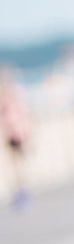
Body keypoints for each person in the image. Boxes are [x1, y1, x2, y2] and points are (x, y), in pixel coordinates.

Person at [0, 66, 33, 211]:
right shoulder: (12, 95)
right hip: (14, 133)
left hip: (16, 133)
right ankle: (21, 191)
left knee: (17, 164)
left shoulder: (10, 96)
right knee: (16, 164)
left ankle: (22, 191)